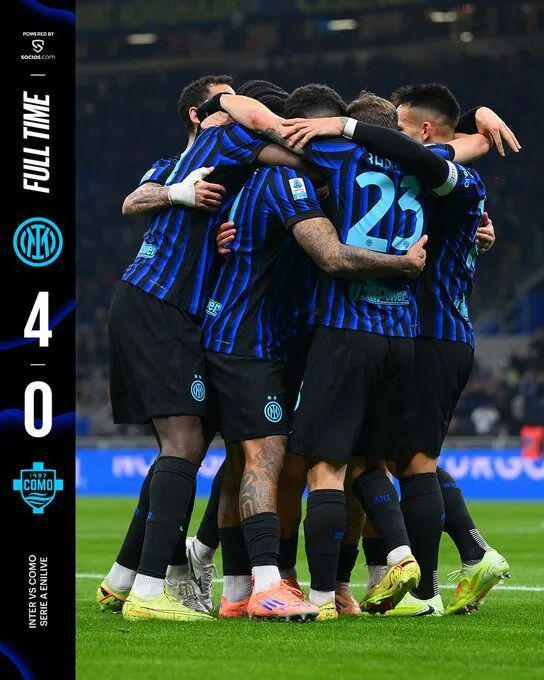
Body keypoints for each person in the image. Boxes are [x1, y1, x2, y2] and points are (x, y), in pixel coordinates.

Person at [98, 75, 307, 623]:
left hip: (165, 310)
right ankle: (152, 592)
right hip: (158, 304)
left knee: (180, 447)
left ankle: (125, 580)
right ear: (202, 113)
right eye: (222, 97)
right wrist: (179, 194)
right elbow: (132, 201)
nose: (232, 102)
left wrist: (216, 234)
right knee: (184, 444)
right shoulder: (206, 146)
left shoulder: (225, 168)